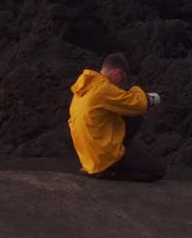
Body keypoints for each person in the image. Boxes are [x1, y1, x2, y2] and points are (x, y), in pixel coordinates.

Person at [68, 52, 166, 182]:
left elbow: (125, 105)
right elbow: (138, 105)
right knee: (157, 171)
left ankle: (118, 156)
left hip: (89, 156)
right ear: (116, 72)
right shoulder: (103, 89)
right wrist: (137, 90)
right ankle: (110, 172)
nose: (122, 80)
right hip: (103, 155)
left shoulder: (84, 87)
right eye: (122, 76)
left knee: (131, 114)